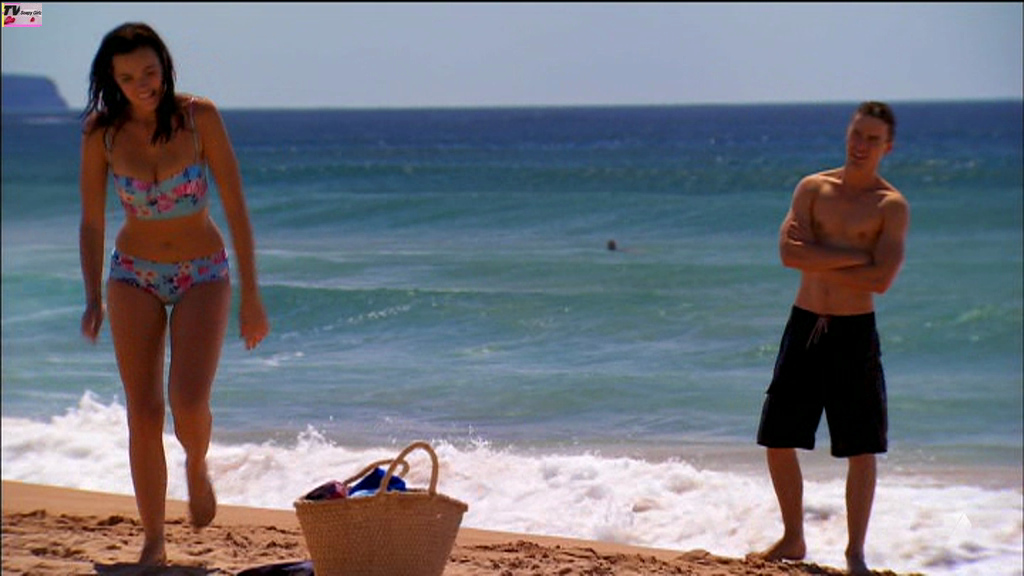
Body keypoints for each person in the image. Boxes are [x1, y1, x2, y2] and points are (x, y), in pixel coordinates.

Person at [78, 22, 270, 565]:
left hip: (202, 273)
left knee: (187, 403)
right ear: (112, 81)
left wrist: (252, 297)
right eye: (127, 78)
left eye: (149, 72)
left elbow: (236, 208)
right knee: (143, 412)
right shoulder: (102, 134)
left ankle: (197, 461)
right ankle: (154, 540)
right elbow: (92, 222)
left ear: (164, 66)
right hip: (132, 275)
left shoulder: (198, 117)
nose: (142, 85)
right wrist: (92, 295)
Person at [753, 101, 909, 575]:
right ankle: (793, 537)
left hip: (854, 331)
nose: (861, 145)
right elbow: (788, 254)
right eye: (856, 134)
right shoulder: (813, 188)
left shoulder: (889, 206)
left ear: (887, 147)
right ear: (847, 134)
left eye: (872, 139)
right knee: (778, 436)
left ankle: (855, 553)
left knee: (861, 448)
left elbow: (881, 280)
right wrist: (856, 256)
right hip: (805, 323)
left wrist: (818, 255)